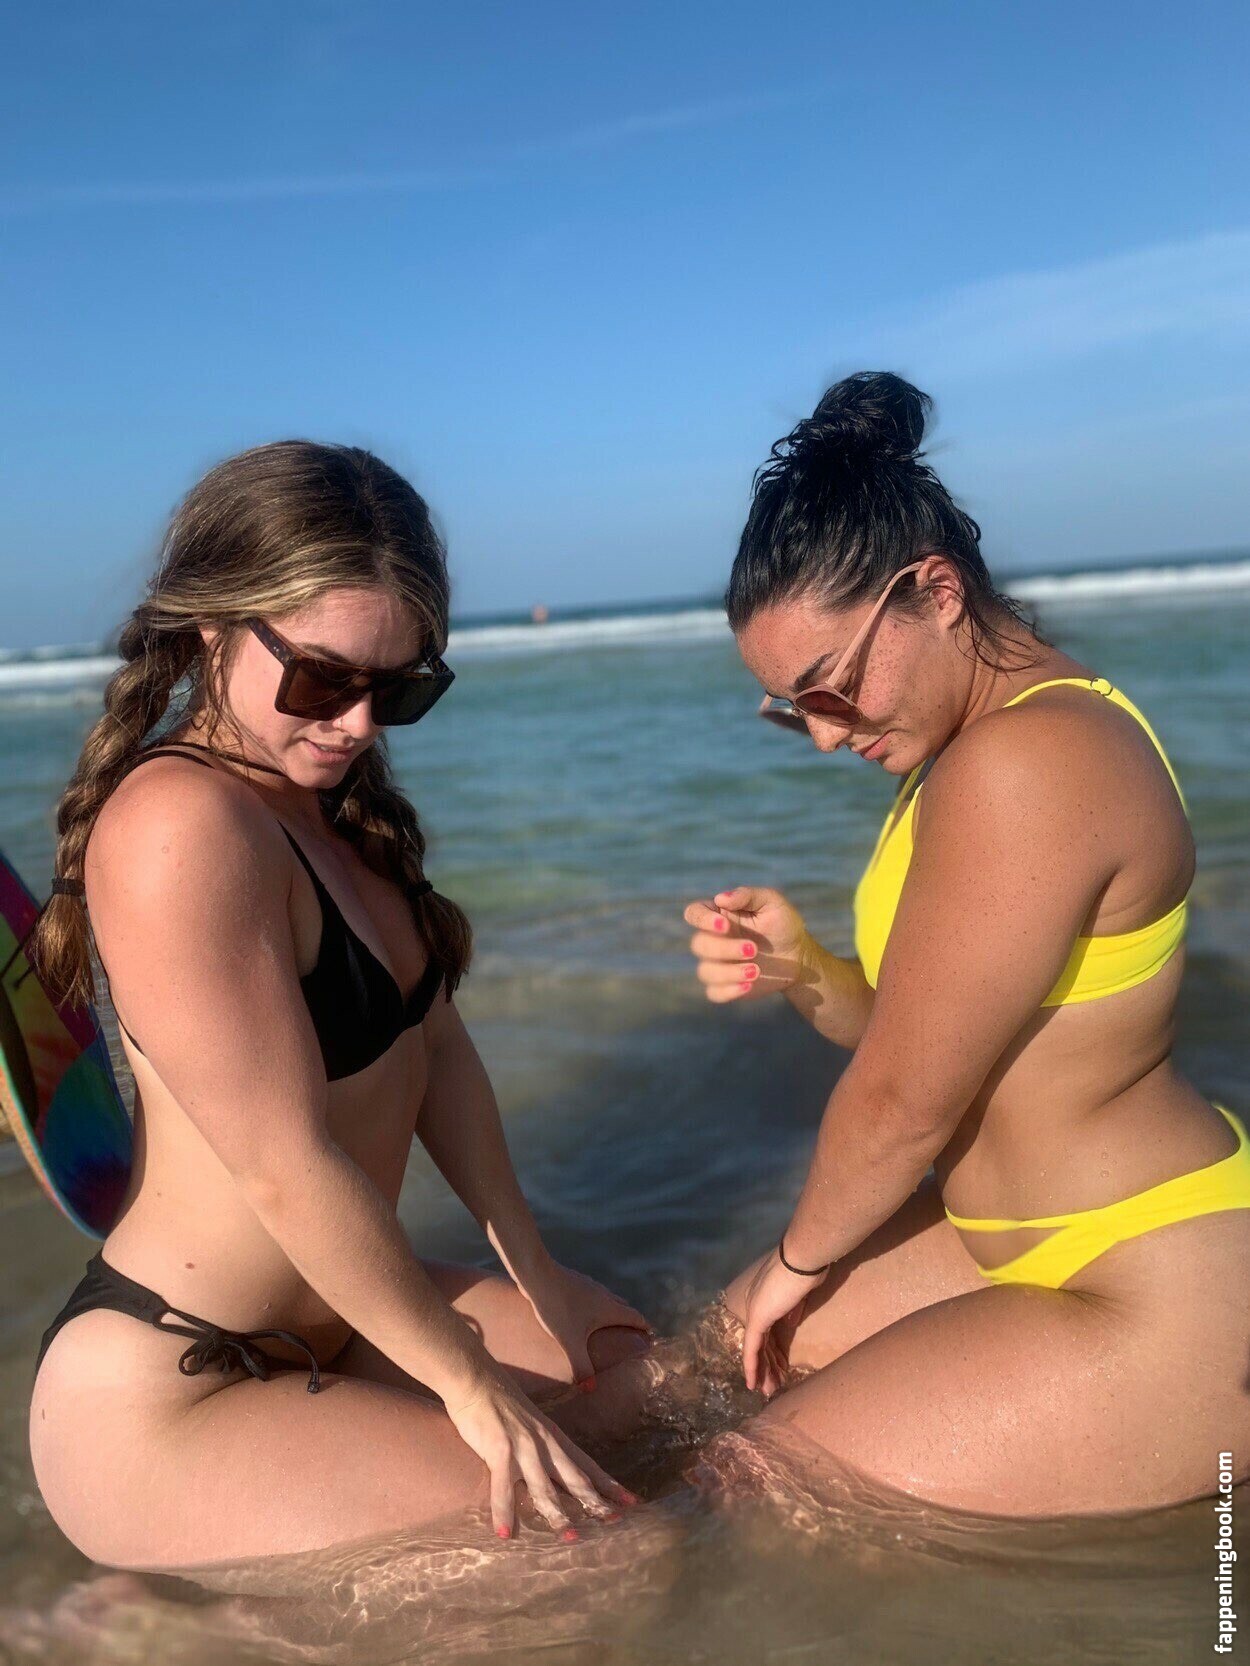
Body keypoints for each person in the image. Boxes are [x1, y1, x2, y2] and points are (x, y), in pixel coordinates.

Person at [28, 440, 651, 1570]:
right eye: (323, 680)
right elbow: (283, 1163)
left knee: (642, 1386)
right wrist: (465, 1381)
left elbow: (438, 1057)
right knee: (596, 1560)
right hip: (181, 1384)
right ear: (211, 627)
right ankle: (177, 1629)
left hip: (342, 1322)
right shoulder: (182, 826)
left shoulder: (327, 810)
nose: (359, 726)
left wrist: (535, 1269)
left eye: (398, 689)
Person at [684, 372, 1250, 1517]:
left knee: (746, 1498)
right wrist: (805, 968)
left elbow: (903, 1104)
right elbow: (921, 1034)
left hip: (1144, 1279)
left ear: (935, 591)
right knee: (682, 1376)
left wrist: (794, 1264)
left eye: (828, 688)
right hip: (1002, 1236)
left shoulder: (1028, 760)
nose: (822, 737)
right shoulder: (962, 754)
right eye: (791, 710)